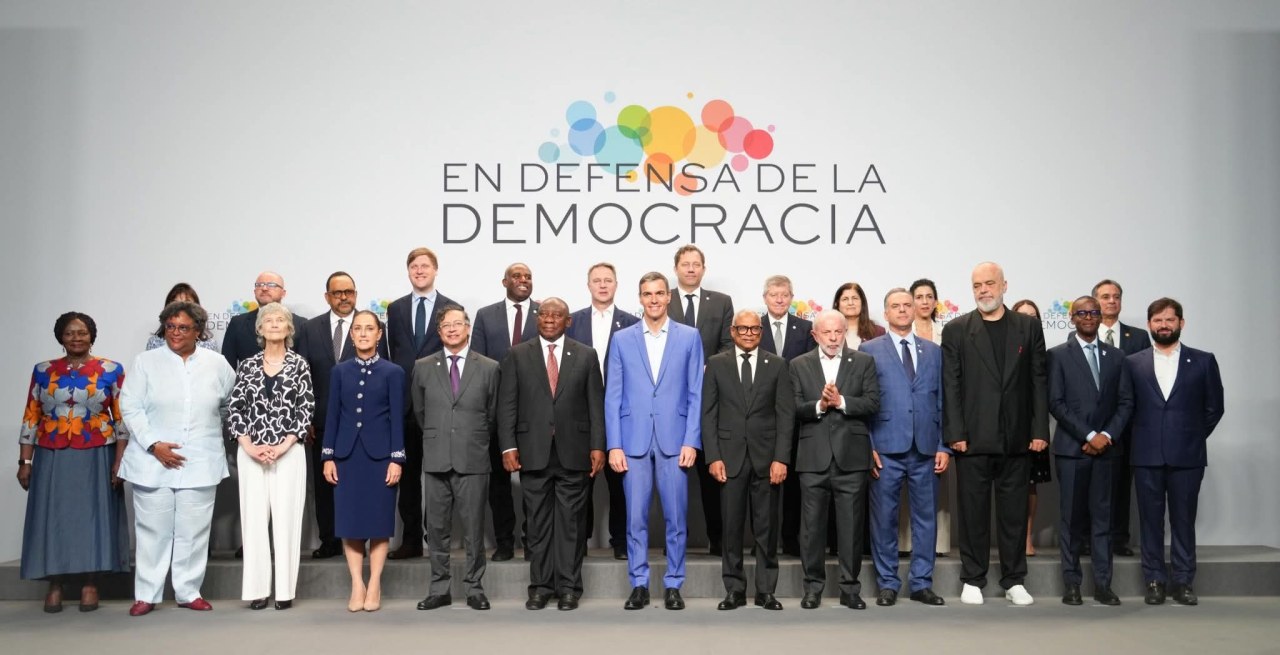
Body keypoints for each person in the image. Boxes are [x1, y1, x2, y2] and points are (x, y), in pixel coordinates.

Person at [119, 301, 235, 616]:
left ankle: (188, 592)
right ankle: (147, 594)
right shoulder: (146, 362)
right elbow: (129, 406)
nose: (175, 333)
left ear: (198, 331)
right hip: (151, 460)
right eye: (170, 326)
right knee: (152, 531)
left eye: (183, 327)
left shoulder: (217, 363)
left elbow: (229, 404)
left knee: (194, 531)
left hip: (200, 460)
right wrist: (154, 444)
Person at [941, 262, 1047, 606]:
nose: (983, 290)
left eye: (989, 283)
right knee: (973, 513)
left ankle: (1014, 579)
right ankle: (973, 578)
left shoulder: (1028, 328)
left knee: (1014, 513)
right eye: (977, 285)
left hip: (1017, 438)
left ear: (1004, 285)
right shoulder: (957, 330)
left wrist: (1039, 430)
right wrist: (955, 432)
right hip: (971, 439)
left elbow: (1038, 382)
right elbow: (951, 385)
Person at [18, 312, 130, 613]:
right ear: (60, 337)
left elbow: (121, 420)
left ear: (92, 335)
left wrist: (120, 461)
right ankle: (55, 584)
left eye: (82, 332)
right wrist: (24, 460)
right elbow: (31, 415)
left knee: (93, 520)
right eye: (70, 333)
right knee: (51, 520)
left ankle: (90, 584)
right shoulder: (43, 370)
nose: (76, 338)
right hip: (52, 453)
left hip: (97, 451)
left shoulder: (110, 369)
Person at [498, 297, 605, 611]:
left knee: (571, 524)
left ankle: (570, 588)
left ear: (567, 321)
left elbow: (595, 405)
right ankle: (540, 588)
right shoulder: (517, 354)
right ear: (537, 319)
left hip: (575, 451)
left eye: (556, 315)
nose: (549, 319)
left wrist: (598, 445)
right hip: (532, 452)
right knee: (538, 524)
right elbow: (507, 405)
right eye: (543, 314)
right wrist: (508, 445)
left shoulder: (586, 355)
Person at [606, 272, 704, 611]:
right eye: (647, 294)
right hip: (632, 441)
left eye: (659, 293)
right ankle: (639, 583)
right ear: (640, 297)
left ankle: (674, 584)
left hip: (675, 440)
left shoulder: (690, 337)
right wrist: (614, 444)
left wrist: (692, 440)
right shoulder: (621, 339)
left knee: (676, 518)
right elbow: (613, 395)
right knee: (635, 519)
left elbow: (696, 392)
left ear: (669, 297)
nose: (654, 299)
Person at [1126, 298, 1223, 606]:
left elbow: (1214, 408)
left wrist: (1190, 436)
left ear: (1182, 323)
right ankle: (1154, 580)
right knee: (1150, 522)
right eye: (1157, 320)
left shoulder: (1204, 360)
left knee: (1183, 520)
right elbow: (1126, 409)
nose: (1163, 325)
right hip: (1146, 455)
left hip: (1188, 456)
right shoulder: (1134, 363)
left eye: (1170, 319)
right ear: (1149, 325)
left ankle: (1183, 581)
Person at [860, 289, 948, 607]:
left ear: (916, 310)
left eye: (906, 305)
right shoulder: (868, 350)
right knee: (884, 519)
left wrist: (943, 446)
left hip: (926, 448)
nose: (902, 310)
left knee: (926, 519)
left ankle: (922, 583)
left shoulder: (934, 351)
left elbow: (943, 402)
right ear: (885, 313)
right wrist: (867, 446)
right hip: (884, 448)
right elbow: (865, 402)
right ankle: (887, 583)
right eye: (895, 306)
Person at [702, 310, 793, 611]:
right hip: (729, 460)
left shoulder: (777, 365)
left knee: (767, 530)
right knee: (731, 529)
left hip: (768, 461)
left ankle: (766, 591)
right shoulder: (717, 364)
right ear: (733, 331)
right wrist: (713, 456)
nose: (749, 333)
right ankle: (734, 589)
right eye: (743, 328)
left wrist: (781, 458)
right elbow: (709, 414)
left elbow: (785, 416)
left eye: (755, 329)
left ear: (761, 331)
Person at [227, 302, 315, 610]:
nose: (274, 323)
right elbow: (235, 409)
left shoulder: (299, 365)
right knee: (253, 521)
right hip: (251, 452)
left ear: (289, 329)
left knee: (287, 520)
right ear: (260, 329)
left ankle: (284, 592)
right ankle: (257, 590)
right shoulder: (248, 365)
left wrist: (284, 444)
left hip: (288, 453)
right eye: (269, 320)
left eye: (280, 320)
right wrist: (249, 445)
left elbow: (305, 410)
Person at [791, 310, 880, 610]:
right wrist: (820, 404)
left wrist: (841, 402)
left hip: (851, 459)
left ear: (845, 333)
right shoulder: (798, 365)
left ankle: (849, 589)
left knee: (851, 528)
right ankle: (812, 589)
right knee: (812, 529)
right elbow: (792, 407)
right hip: (812, 458)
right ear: (815, 335)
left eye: (838, 332)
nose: (832, 338)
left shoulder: (864, 361)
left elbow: (872, 402)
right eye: (826, 333)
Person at [1047, 295, 1133, 607]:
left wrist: (1106, 435)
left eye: (1093, 312)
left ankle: (1103, 585)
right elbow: (1055, 403)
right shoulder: (1057, 355)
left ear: (1100, 317)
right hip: (1072, 450)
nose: (1088, 317)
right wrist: (1089, 434)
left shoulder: (1117, 356)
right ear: (1072, 317)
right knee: (1071, 520)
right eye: (1081, 312)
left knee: (1103, 520)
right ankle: (1072, 584)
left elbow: (1126, 402)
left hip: (1107, 451)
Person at [414, 305, 500, 611]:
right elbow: (421, 412)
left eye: (457, 324)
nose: (452, 329)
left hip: (473, 458)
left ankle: (475, 588)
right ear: (439, 332)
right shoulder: (423, 366)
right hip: (436, 458)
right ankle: (439, 589)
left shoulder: (489, 367)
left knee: (474, 528)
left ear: (467, 328)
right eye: (446, 325)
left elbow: (492, 415)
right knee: (436, 529)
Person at [321, 310, 405, 612]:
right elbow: (332, 416)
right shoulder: (340, 371)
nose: (364, 333)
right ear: (352, 334)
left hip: (381, 457)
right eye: (358, 328)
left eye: (370, 328)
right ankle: (357, 583)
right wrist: (328, 455)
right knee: (351, 523)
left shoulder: (393, 372)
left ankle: (376, 582)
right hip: (346, 456)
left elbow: (398, 419)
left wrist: (397, 459)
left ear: (379, 334)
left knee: (379, 523)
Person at [297, 272, 386, 559]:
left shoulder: (372, 325)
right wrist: (306, 418)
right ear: (327, 297)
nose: (344, 297)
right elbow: (303, 378)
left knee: (361, 487)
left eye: (349, 292)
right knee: (325, 486)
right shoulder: (311, 329)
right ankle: (329, 539)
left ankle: (363, 538)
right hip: (322, 422)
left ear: (356, 294)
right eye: (337, 293)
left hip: (367, 425)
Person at [386, 247, 459, 560]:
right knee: (408, 475)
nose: (419, 270)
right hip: (403, 405)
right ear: (408, 271)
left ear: (435, 270)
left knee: (440, 476)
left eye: (425, 266)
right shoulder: (396, 309)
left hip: (439, 405)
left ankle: (437, 540)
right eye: (414, 266)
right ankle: (412, 540)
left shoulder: (450, 307)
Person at [566, 262, 640, 560]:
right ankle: (579, 541)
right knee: (581, 482)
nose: (602, 285)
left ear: (616, 284)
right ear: (588, 285)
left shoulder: (633, 323)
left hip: (621, 414)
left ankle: (620, 541)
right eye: (597, 280)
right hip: (581, 414)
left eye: (608, 280)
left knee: (621, 483)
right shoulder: (573, 321)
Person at [666, 245, 733, 556]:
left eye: (696, 264)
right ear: (676, 268)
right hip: (671, 398)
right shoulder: (662, 299)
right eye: (685, 264)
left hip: (712, 399)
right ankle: (674, 541)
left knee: (711, 476)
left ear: (703, 269)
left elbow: (726, 344)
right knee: (672, 478)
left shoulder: (721, 302)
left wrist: (708, 366)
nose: (691, 269)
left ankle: (717, 539)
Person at [470, 262, 539, 562]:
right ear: (504, 282)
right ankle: (504, 542)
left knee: (534, 483)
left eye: (528, 276)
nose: (523, 280)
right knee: (498, 483)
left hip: (534, 411)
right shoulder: (486, 316)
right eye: (517, 276)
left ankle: (533, 541)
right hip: (496, 410)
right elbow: (479, 363)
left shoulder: (545, 314)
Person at [757, 275, 815, 557]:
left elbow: (809, 371)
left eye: (784, 295)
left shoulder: (805, 328)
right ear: (765, 298)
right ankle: (764, 543)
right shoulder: (754, 327)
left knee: (793, 483)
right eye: (773, 294)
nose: (779, 299)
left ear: (792, 298)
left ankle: (790, 541)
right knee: (763, 483)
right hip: (762, 415)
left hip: (796, 415)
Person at [1093, 279, 1151, 558]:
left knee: (1121, 485)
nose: (1111, 301)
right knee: (1092, 487)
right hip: (1091, 427)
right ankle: (1090, 538)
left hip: (1127, 426)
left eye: (1116, 296)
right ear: (1095, 301)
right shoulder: (1079, 336)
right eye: (1105, 297)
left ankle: (1119, 539)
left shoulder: (1138, 337)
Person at [908, 277, 951, 559]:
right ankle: (904, 546)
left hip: (931, 427)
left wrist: (944, 442)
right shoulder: (898, 333)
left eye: (928, 296)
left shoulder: (947, 334)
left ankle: (937, 548)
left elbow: (947, 389)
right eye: (919, 296)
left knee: (931, 502)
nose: (924, 301)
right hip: (899, 431)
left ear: (935, 301)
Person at [1011, 299, 1053, 556]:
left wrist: (1039, 430)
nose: (1028, 320)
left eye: (1033, 316)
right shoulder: (1006, 346)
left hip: (1033, 425)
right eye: (1022, 315)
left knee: (1030, 485)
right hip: (1004, 425)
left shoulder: (1046, 353)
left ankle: (1026, 537)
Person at [222, 271, 308, 370]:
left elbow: (305, 365)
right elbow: (227, 367)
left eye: (271, 285)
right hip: (248, 383)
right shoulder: (237, 323)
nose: (264, 288)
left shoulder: (301, 324)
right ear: (254, 291)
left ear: (283, 293)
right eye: (259, 285)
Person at [145, 283, 218, 352]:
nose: (181, 308)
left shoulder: (209, 345)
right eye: (175, 303)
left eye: (187, 303)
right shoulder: (154, 343)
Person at [833, 282, 886, 349]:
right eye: (845, 299)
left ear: (862, 303)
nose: (850, 303)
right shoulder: (827, 332)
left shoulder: (878, 332)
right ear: (837, 304)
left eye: (855, 298)